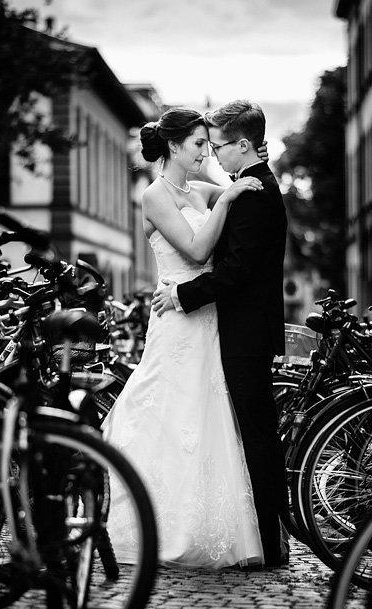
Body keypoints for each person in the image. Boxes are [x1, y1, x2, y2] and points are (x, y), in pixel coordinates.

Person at [102, 107, 269, 569]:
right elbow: (196, 252)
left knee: (207, 418)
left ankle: (211, 524)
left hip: (207, 317)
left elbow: (249, 186)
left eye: (208, 144)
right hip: (176, 317)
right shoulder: (155, 196)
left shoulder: (201, 189)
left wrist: (246, 174)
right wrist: (229, 197)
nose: (205, 153)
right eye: (198, 144)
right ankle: (152, 521)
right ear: (174, 147)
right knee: (171, 416)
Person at [151, 100, 289, 568]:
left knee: (256, 436)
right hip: (224, 328)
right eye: (202, 145)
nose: (213, 155)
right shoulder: (243, 188)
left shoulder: (252, 193)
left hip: (243, 330)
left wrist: (183, 295)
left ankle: (270, 542)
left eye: (219, 146)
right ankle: (262, 536)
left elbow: (234, 271)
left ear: (244, 145)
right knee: (236, 433)